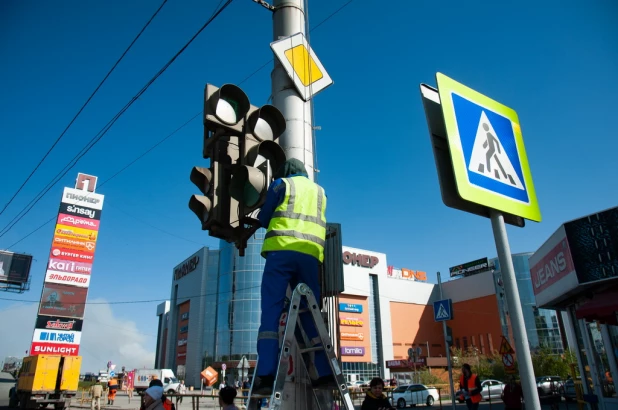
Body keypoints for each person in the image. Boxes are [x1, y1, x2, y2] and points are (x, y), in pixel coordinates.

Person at [252, 158, 333, 395]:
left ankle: (266, 375)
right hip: (310, 256)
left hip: (281, 252)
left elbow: (265, 218)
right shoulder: (321, 192)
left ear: (286, 172)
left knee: (271, 309)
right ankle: (325, 372)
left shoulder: (281, 185)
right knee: (311, 314)